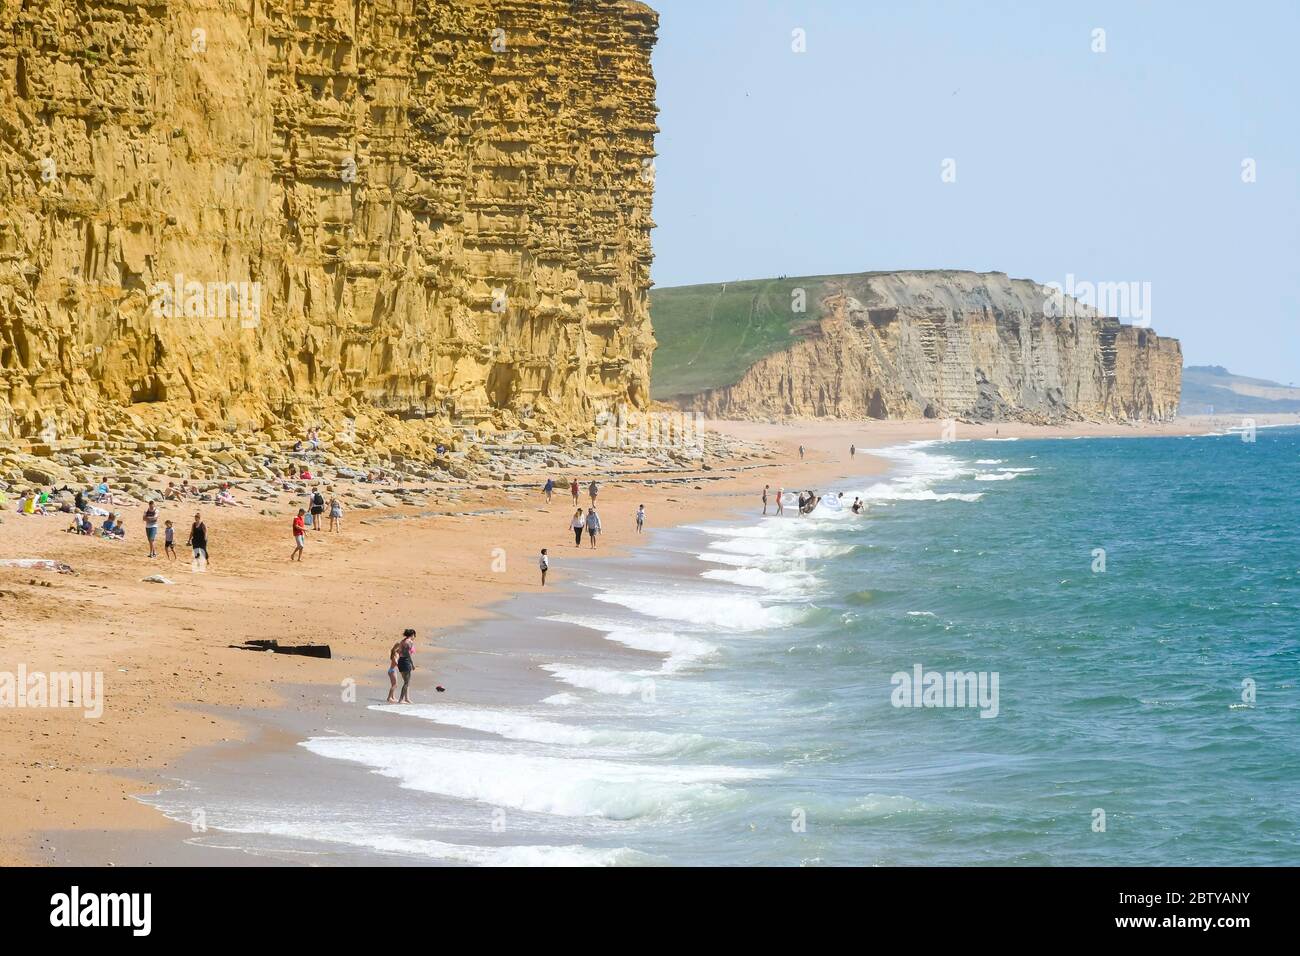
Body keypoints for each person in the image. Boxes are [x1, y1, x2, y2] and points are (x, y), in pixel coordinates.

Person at [393, 628, 417, 704]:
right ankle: (401, 699)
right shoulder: (409, 642)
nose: (414, 637)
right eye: (414, 635)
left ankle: (407, 698)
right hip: (405, 661)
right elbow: (407, 654)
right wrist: (412, 664)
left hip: (400, 661)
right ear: (412, 635)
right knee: (406, 682)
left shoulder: (402, 641)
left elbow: (399, 651)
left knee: (406, 682)